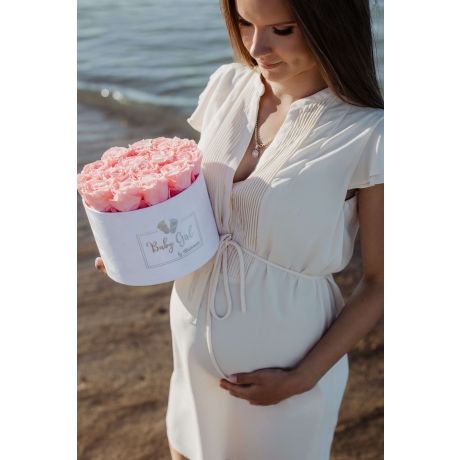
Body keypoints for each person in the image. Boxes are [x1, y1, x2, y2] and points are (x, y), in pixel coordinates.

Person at [96, 0, 383, 458]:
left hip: (288, 365)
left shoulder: (370, 135)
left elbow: (380, 283)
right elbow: (193, 211)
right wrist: (133, 243)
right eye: (245, 23)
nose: (257, 47)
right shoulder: (227, 87)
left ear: (330, 26)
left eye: (282, 30)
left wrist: (304, 377)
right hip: (189, 333)